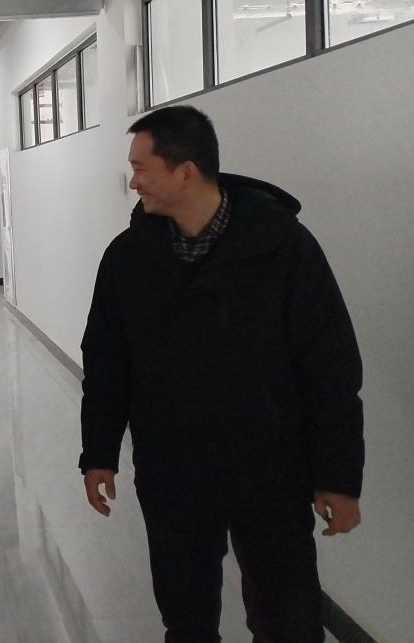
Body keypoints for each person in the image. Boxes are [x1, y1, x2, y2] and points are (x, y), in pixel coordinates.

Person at [79, 105, 364, 642]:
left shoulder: (283, 247)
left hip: (270, 469)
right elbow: (107, 364)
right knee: (186, 617)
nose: (133, 182)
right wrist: (98, 453)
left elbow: (330, 366)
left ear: (185, 171)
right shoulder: (128, 258)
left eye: (141, 168)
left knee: (287, 618)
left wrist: (339, 477)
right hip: (173, 470)